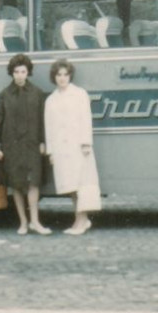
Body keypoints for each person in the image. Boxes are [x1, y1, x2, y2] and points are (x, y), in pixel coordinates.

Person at [0, 53, 49, 235]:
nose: (19, 75)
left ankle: (35, 222)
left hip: (32, 144)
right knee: (16, 185)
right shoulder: (4, 95)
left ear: (28, 72)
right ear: (12, 73)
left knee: (33, 184)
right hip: (12, 145)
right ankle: (23, 223)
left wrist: (43, 142)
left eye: (23, 71)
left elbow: (42, 120)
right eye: (16, 71)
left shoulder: (38, 93)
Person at [44, 58, 100, 235]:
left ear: (70, 76)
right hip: (61, 149)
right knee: (71, 187)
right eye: (59, 75)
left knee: (81, 185)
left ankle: (81, 221)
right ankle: (81, 219)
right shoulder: (51, 100)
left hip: (78, 147)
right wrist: (51, 151)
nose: (62, 78)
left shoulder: (79, 94)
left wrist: (86, 143)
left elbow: (85, 118)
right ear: (54, 77)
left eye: (65, 74)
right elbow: (49, 127)